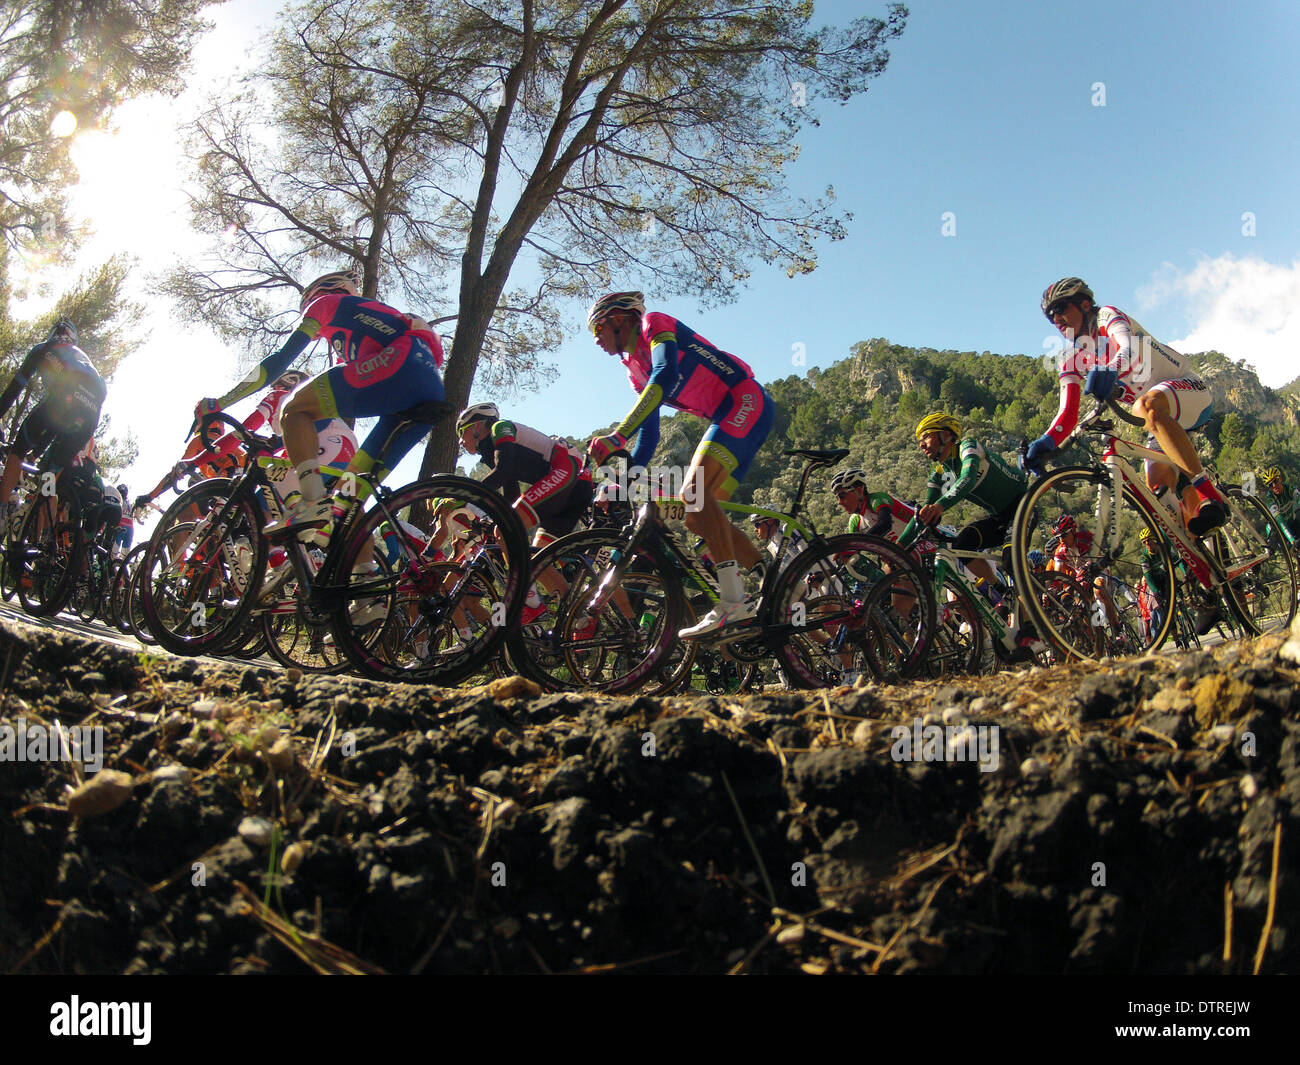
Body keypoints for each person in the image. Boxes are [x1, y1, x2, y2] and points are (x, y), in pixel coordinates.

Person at [194, 270, 443, 542]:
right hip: (430, 385)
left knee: (293, 410)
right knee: (348, 498)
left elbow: (279, 361)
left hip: (399, 364)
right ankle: (364, 573)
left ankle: (311, 502)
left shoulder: (324, 305)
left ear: (317, 294)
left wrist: (219, 403)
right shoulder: (372, 319)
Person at [585, 291, 775, 637]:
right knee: (696, 515)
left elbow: (666, 375)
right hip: (730, 414)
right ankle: (776, 581)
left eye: (597, 328)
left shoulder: (653, 324)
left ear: (617, 319)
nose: (595, 339)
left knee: (693, 493)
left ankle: (733, 600)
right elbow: (650, 437)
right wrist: (621, 481)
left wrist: (617, 436)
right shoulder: (633, 370)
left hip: (743, 400)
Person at [1026, 277, 1224, 536]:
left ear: (1085, 304)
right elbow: (1068, 413)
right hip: (1158, 421)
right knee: (1158, 495)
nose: (1056, 319)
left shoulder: (1105, 316)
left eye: (1061, 309)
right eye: (1051, 317)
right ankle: (1201, 546)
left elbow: (1129, 349)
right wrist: (1045, 442)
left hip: (1186, 391)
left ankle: (1213, 498)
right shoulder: (1072, 360)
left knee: (1145, 406)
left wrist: (1109, 371)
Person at [898, 413, 1027, 594]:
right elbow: (924, 514)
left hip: (1022, 506)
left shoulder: (967, 446)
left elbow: (967, 478)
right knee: (962, 544)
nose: (921, 444)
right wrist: (899, 546)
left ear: (946, 435)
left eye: (926, 436)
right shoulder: (940, 473)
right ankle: (1002, 591)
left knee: (1010, 561)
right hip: (1000, 517)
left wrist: (940, 505)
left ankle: (1033, 614)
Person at [0, 319, 106, 517]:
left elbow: (13, 390)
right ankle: (44, 540)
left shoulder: (45, 349)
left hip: (66, 398)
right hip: (92, 412)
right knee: (49, 475)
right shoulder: (81, 357)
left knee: (18, 450)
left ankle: (1, 512)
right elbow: (56, 426)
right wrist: (37, 453)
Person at [456, 402, 593, 546]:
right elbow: (511, 493)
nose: (460, 442)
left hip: (566, 467)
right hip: (573, 488)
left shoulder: (500, 427)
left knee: (504, 531)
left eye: (461, 432)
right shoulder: (491, 452)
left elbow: (502, 472)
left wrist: (464, 496)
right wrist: (493, 520)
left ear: (476, 425)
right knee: (539, 562)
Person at [1260, 466, 1300, 540]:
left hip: (1292, 524)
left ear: (1280, 478)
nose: (1274, 486)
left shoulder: (1289, 488)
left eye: (1275, 481)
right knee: (1271, 527)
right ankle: (1268, 551)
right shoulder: (1270, 499)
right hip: (1280, 531)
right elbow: (1280, 521)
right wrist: (1292, 540)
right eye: (1270, 485)